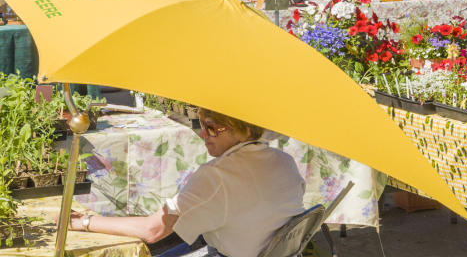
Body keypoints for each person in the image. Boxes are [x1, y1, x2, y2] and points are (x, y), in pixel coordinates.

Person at [69, 108, 303, 257]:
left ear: (242, 129)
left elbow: (153, 230)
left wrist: (85, 222)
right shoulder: (285, 161)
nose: (203, 135)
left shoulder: (217, 175)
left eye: (211, 127)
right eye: (202, 126)